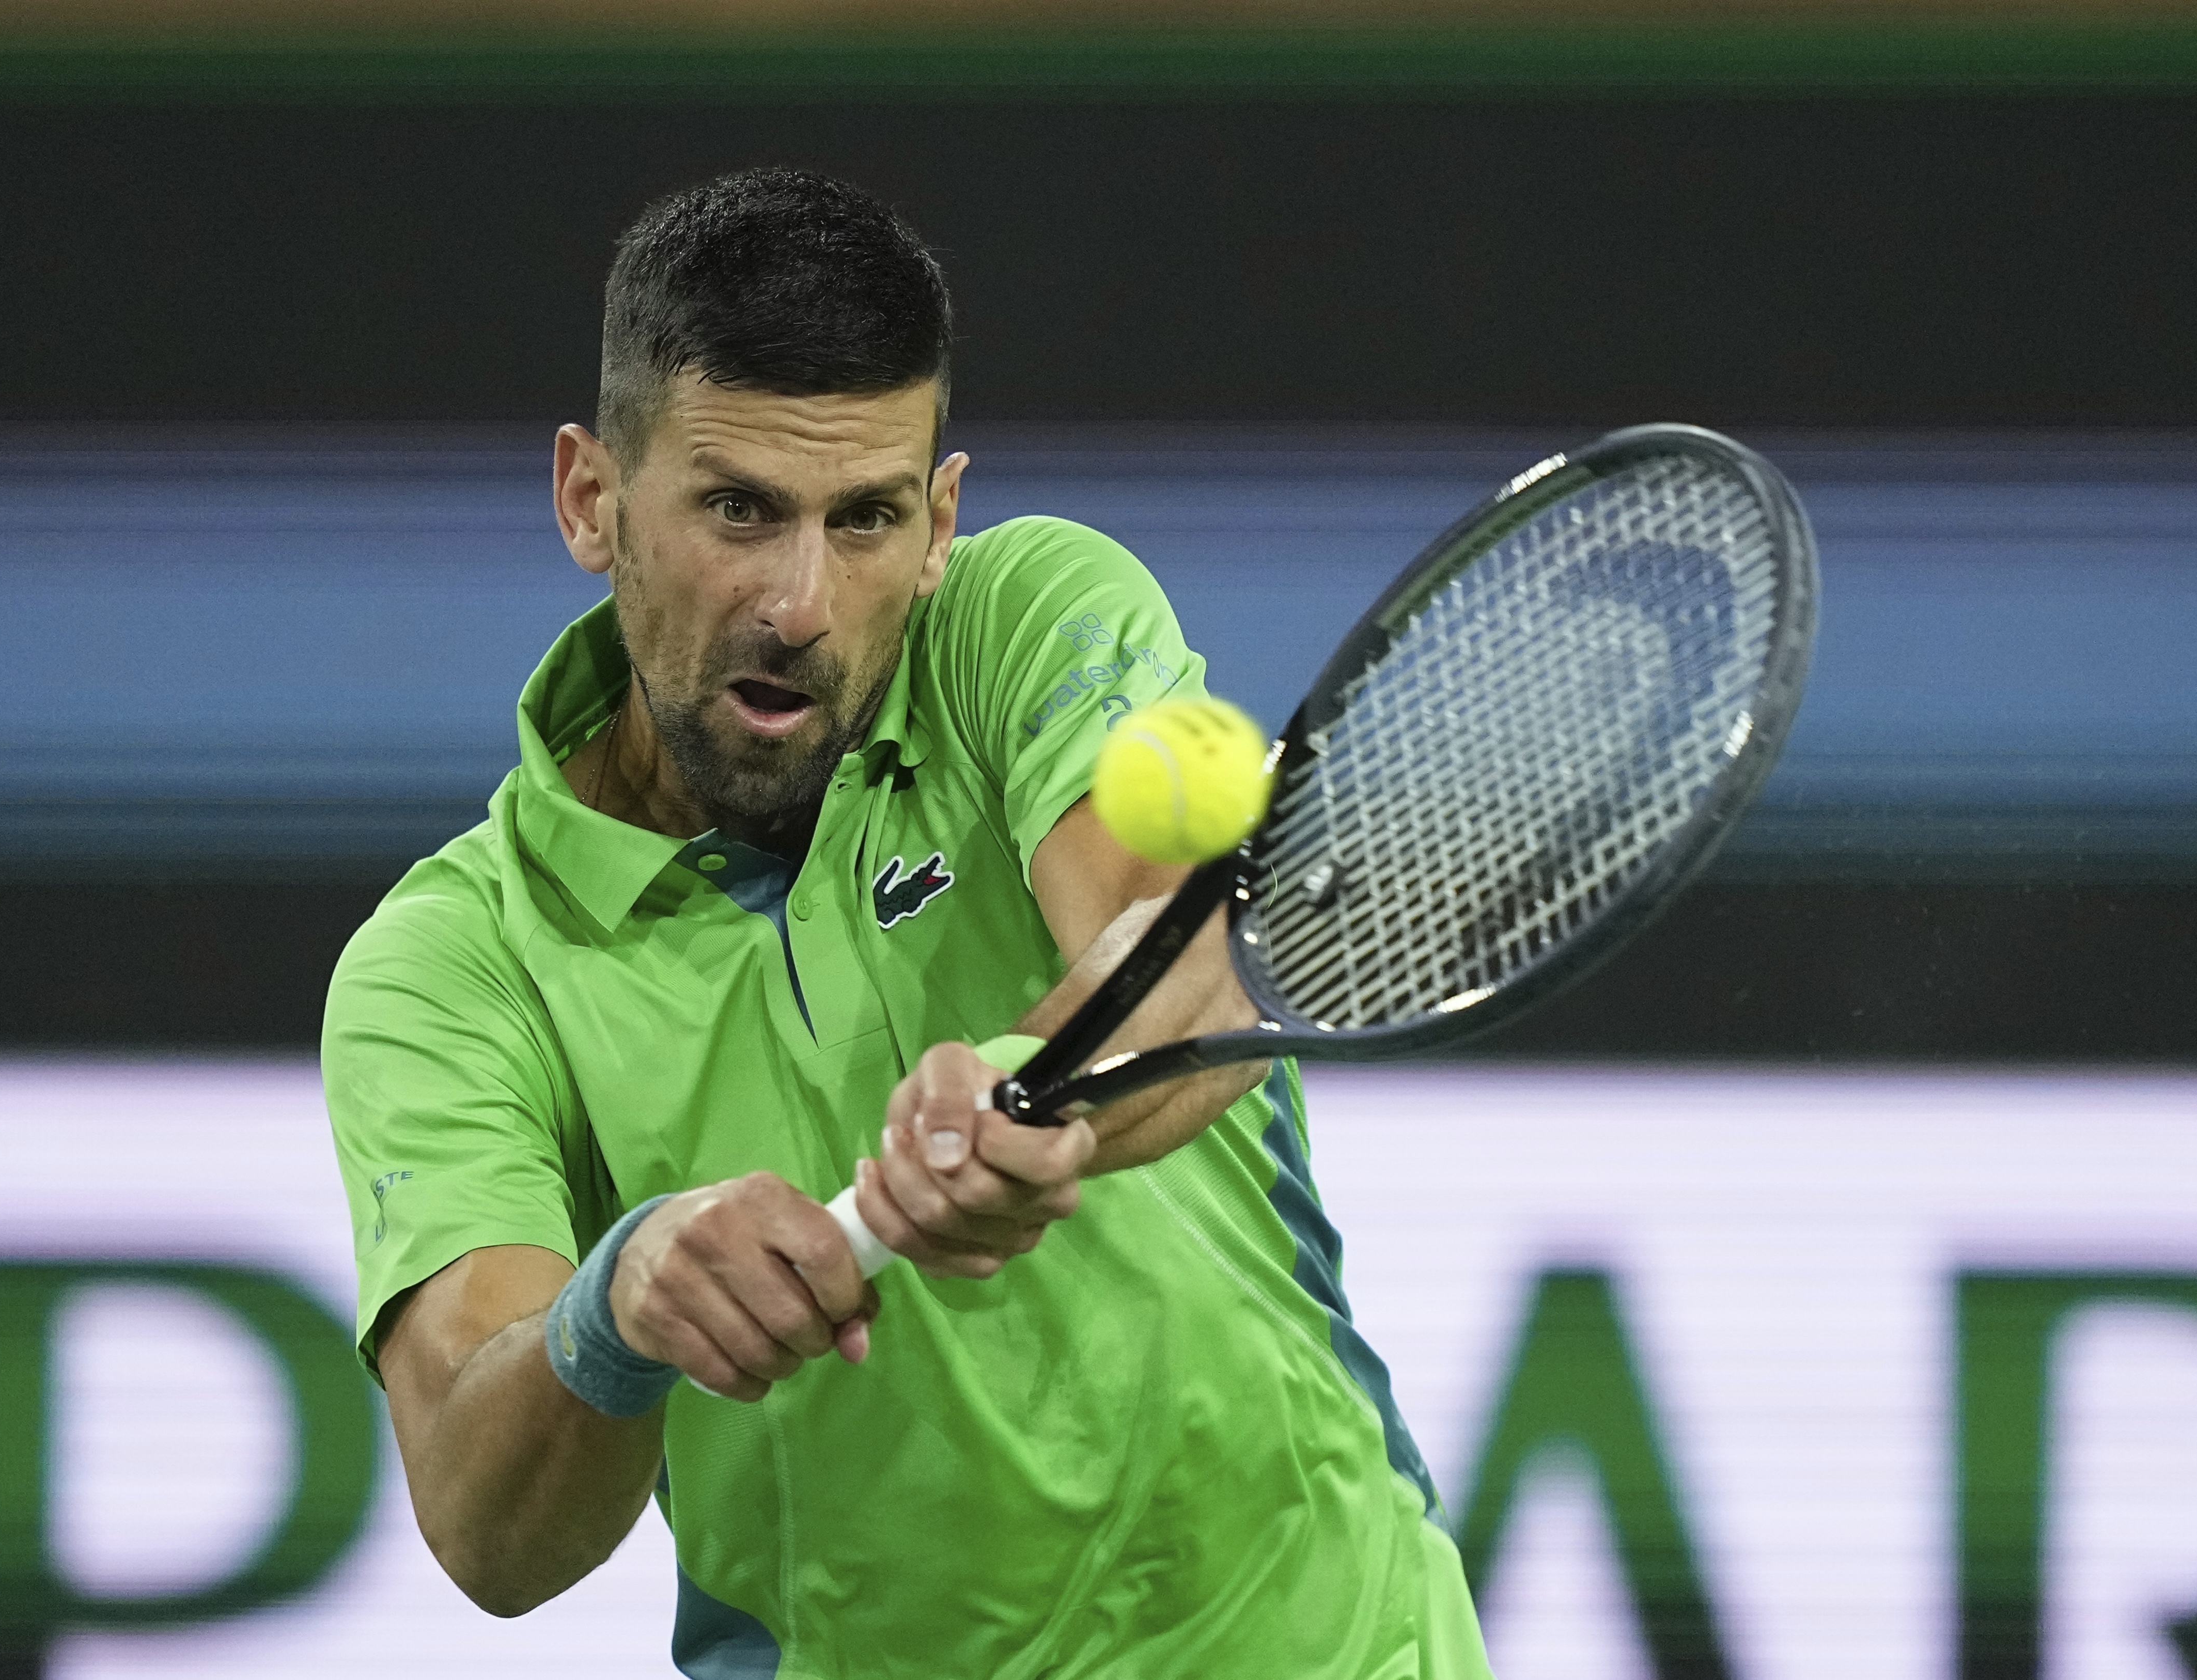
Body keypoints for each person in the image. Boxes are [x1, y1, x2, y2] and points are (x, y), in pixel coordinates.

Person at [323, 166, 1492, 1678]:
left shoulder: (1024, 619)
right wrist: (616, 1312)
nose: (801, 603)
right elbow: (489, 1531)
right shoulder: (451, 967)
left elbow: (1191, 957)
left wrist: (1033, 1097)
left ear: (940, 523)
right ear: (591, 500)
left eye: (866, 518)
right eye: (738, 510)